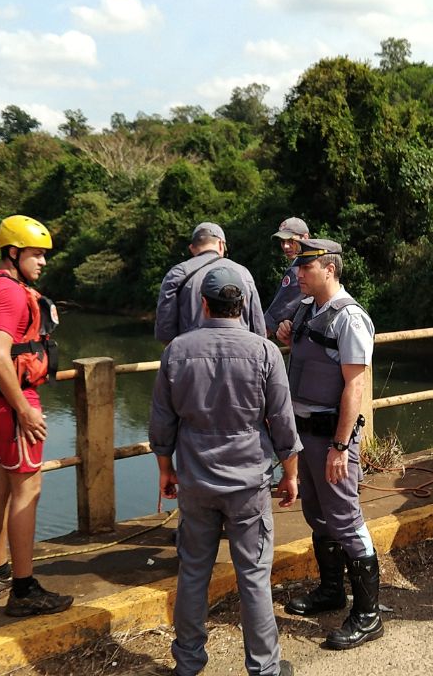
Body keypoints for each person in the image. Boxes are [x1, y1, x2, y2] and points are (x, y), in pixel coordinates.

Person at [150, 266, 302, 676]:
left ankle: (188, 662)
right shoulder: (265, 352)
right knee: (253, 575)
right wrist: (290, 473)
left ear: (203, 303)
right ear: (245, 305)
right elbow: (283, 421)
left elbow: (162, 420)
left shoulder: (177, 350)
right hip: (248, 482)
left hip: (196, 481)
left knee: (193, 571)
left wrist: (166, 468)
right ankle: (264, 668)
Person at [0, 214, 73, 617]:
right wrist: (24, 410)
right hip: (11, 402)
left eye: (44, 255)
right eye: (36, 254)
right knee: (28, 491)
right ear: (13, 252)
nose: (43, 262)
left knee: (0, 485)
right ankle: (24, 592)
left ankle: (0, 574)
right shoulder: (7, 294)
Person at [274, 239, 382, 650]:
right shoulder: (305, 309)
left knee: (346, 518)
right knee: (318, 514)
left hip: (330, 438)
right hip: (305, 436)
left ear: (330, 269)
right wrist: (287, 335)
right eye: (299, 268)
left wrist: (341, 446)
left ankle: (369, 615)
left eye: (306, 267)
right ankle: (332, 591)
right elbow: (308, 360)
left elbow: (355, 386)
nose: (298, 274)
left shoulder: (350, 318)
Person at [155, 222, 265, 343]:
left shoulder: (177, 274)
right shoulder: (243, 273)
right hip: (242, 353)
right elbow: (258, 328)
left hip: (192, 354)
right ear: (221, 244)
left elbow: (164, 332)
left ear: (192, 248)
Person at [264, 217, 311, 333]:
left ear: (305, 238)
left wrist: (260, 332)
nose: (285, 246)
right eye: (282, 242)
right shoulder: (316, 261)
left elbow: (282, 307)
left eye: (291, 241)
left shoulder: (298, 269)